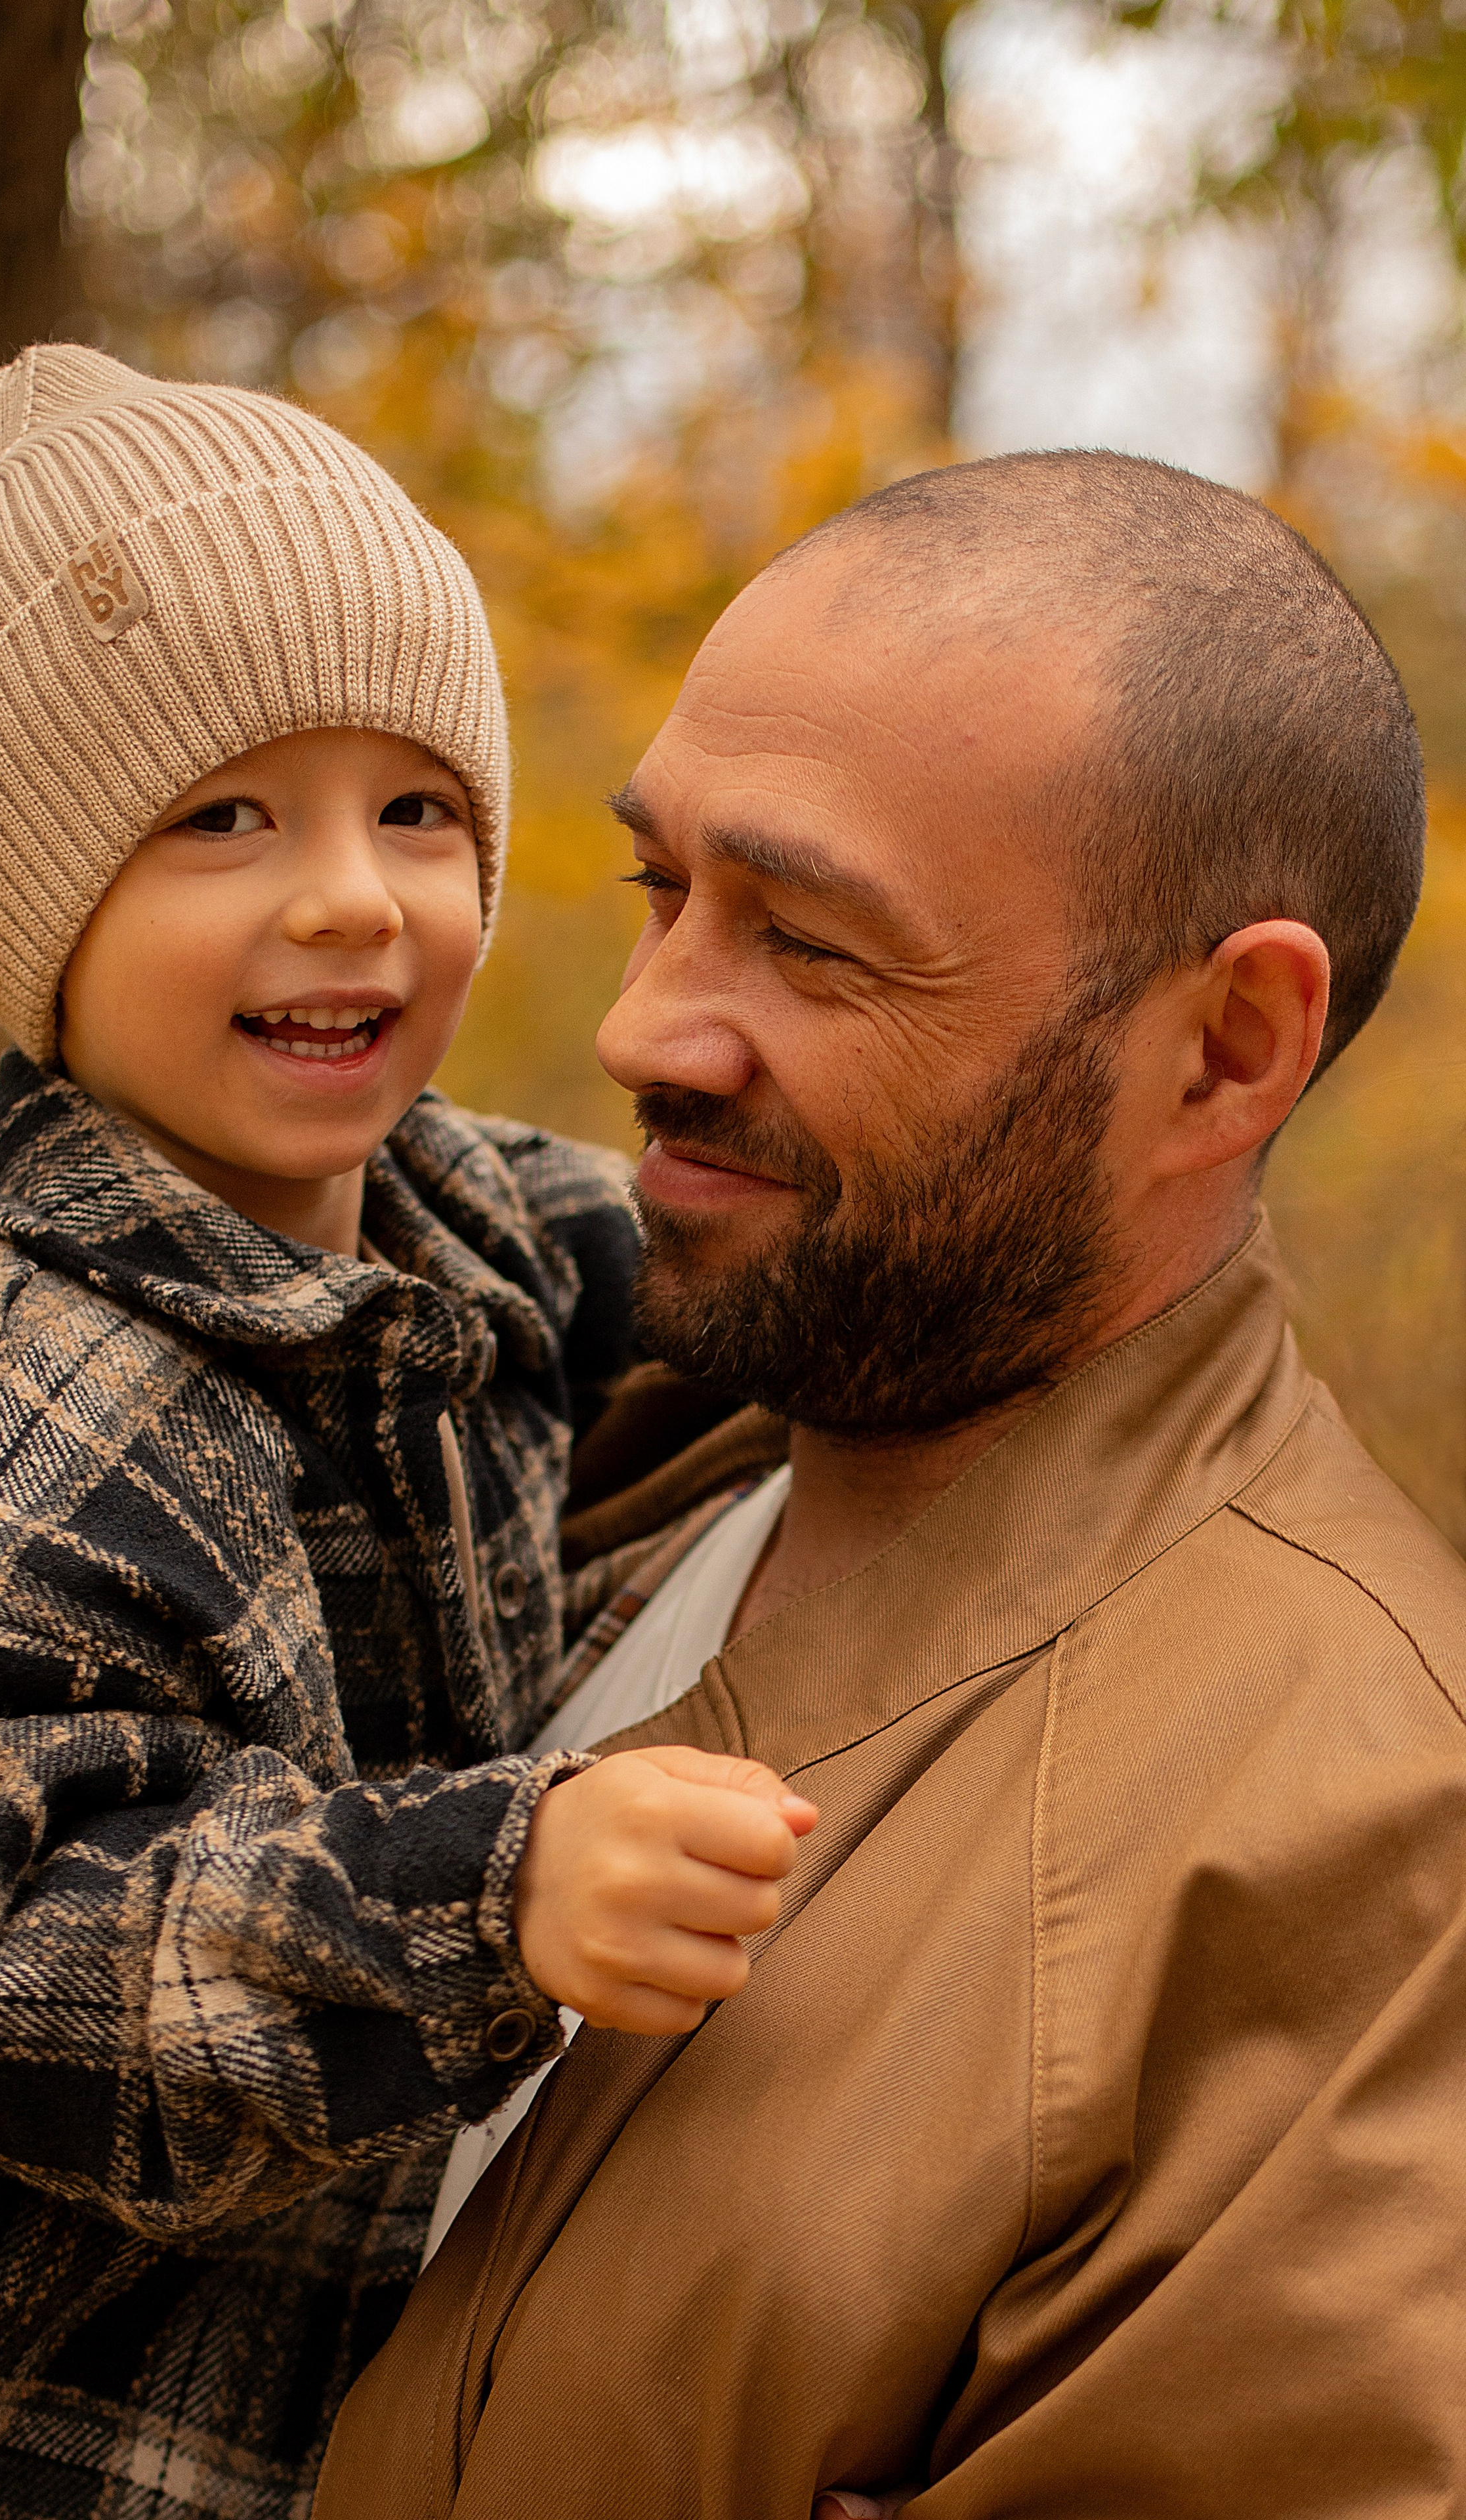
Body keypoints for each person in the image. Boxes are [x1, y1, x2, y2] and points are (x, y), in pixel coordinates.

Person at [318, 450, 1466, 2519]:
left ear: (1225, 1051)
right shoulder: (545, 1435)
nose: (652, 1028)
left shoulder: (1368, 1858)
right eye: (660, 890)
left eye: (819, 950)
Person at [0, 344, 814, 2519]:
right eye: (223, 819)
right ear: (37, 921)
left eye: (414, 810)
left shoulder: (466, 1215)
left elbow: (737, 1315)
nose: (352, 896)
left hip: (326, 2392)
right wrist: (486, 1893)